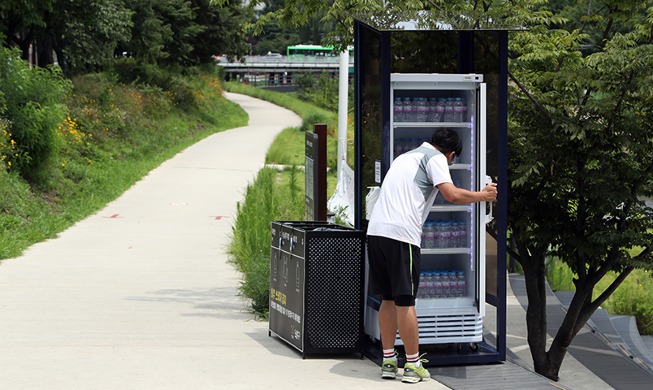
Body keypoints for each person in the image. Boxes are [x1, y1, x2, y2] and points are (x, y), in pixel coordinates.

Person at [366, 128, 497, 383]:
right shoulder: (436, 158)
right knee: (405, 301)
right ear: (451, 154)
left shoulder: (404, 157)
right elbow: (451, 194)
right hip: (402, 236)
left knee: (387, 299)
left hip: (377, 232)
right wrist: (483, 195)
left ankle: (389, 360)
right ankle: (413, 364)